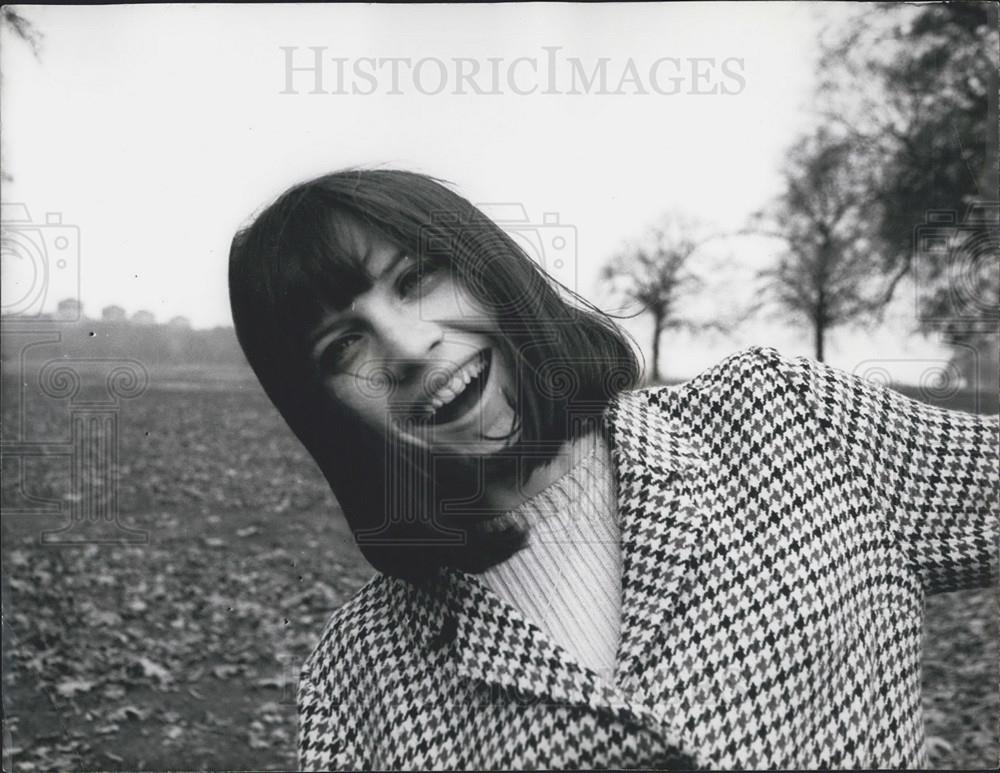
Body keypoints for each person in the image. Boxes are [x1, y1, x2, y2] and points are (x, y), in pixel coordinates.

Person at [228, 168, 999, 770]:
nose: (403, 343)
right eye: (343, 346)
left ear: (490, 270)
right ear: (326, 411)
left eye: (415, 279)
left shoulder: (785, 417)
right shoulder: (359, 676)